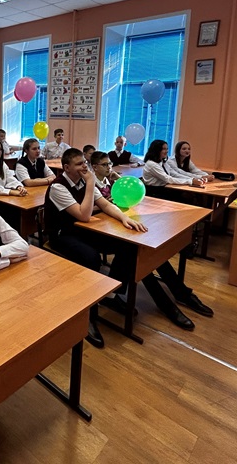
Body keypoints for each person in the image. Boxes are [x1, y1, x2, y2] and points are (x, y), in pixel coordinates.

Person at [44, 148, 147, 348]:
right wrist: (91, 182)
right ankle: (87, 315)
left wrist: (124, 218)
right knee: (91, 258)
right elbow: (84, 215)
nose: (84, 166)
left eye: (85, 162)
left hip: (82, 230)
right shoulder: (58, 186)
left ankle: (112, 295)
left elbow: (105, 205)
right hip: (62, 234)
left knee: (128, 245)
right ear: (66, 167)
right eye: (79, 164)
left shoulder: (84, 181)